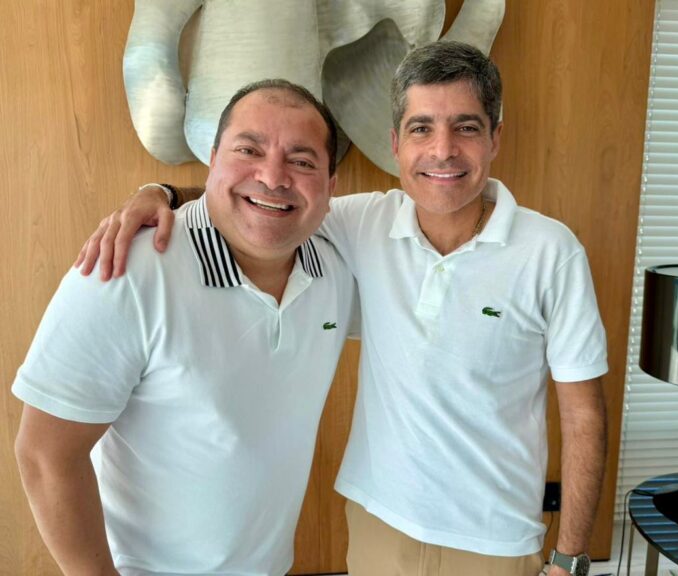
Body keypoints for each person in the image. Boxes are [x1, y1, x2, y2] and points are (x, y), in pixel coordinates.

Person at [77, 42, 608, 576]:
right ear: (396, 143)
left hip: (495, 537)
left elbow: (583, 414)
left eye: (466, 127)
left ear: (495, 138)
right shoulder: (361, 222)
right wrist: (161, 191)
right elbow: (259, 202)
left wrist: (570, 558)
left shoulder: (551, 252)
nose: (442, 150)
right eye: (421, 128)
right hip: (377, 519)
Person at [13, 79, 357, 576]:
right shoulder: (126, 270)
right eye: (248, 150)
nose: (272, 176)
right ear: (213, 159)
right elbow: (45, 455)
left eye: (302, 161)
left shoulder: (336, 266)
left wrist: (164, 190)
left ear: (331, 185)